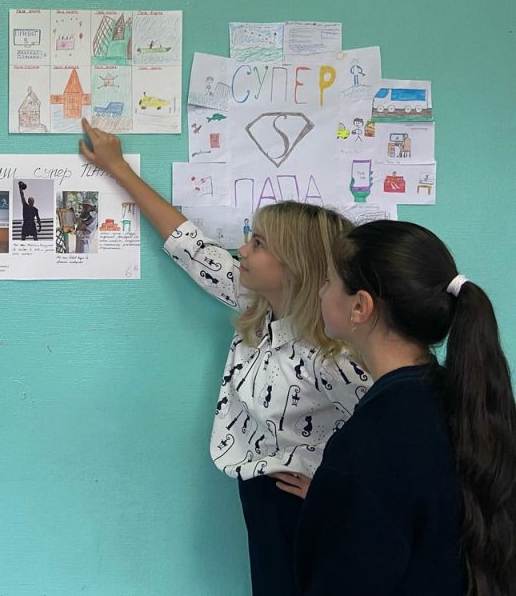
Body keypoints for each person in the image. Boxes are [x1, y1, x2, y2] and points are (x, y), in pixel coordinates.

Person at [79, 119, 368, 596]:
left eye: (258, 244)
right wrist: (118, 169)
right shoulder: (260, 305)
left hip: (307, 507)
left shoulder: (334, 356)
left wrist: (337, 494)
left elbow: (399, 437)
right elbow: (191, 248)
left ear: (295, 267)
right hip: (259, 492)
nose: (242, 249)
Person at [297, 221, 516, 595]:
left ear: (360, 306)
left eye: (329, 281)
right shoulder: (469, 404)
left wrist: (339, 498)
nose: (320, 291)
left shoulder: (370, 442)